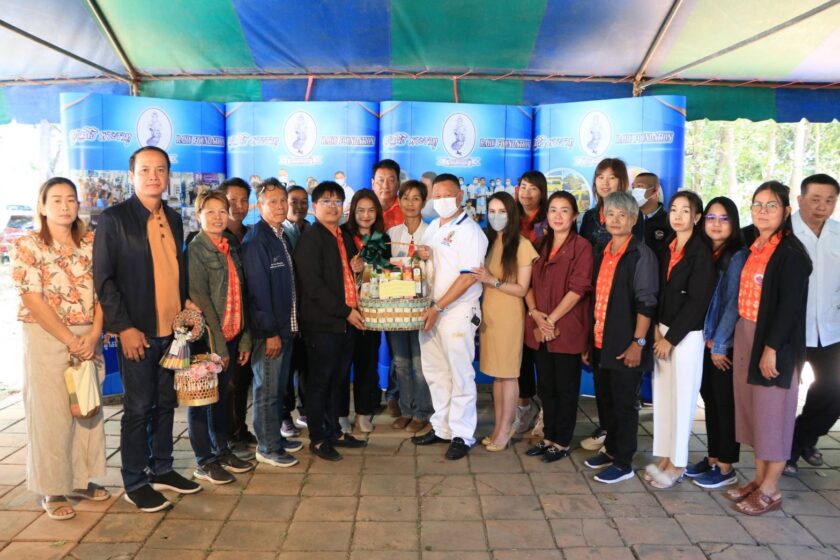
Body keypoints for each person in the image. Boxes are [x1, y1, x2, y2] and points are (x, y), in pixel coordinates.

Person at [94, 146, 201, 512]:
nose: (153, 176)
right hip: (137, 332)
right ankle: (135, 480)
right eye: (145, 169)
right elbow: (104, 280)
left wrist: (185, 301)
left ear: (168, 175)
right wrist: (124, 328)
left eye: (160, 169)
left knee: (166, 403)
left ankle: (162, 469)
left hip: (173, 332)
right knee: (138, 407)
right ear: (131, 175)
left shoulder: (172, 217)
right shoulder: (114, 219)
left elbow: (174, 268)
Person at [13, 177, 108, 521]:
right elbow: (32, 298)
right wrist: (70, 340)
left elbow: (104, 291)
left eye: (70, 199)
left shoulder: (91, 242)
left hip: (88, 337)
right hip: (47, 336)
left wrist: (94, 334)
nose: (65, 206)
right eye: (56, 200)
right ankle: (53, 488)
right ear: (42, 206)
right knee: (51, 414)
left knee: (86, 410)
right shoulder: (28, 244)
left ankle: (80, 480)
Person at [725, 181, 812, 515]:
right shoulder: (755, 244)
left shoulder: (791, 254)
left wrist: (772, 348)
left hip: (775, 342)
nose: (762, 211)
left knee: (774, 414)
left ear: (787, 211)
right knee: (755, 413)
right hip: (748, 332)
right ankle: (759, 479)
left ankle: (771, 490)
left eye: (771, 205)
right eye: (757, 205)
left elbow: (789, 308)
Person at [412, 173, 488, 460]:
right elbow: (427, 262)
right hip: (431, 310)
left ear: (460, 197)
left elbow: (468, 277)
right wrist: (422, 254)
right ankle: (442, 427)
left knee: (460, 374)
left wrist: (439, 307)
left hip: (456, 311)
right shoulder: (433, 227)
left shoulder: (470, 231)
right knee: (435, 372)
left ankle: (462, 434)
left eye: (448, 195)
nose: (442, 200)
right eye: (437, 195)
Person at [584, 191, 658, 484]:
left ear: (634, 219)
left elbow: (646, 303)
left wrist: (638, 343)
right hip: (600, 341)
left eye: (622, 215)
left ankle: (624, 462)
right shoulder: (602, 251)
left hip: (626, 343)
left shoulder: (641, 255)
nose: (615, 220)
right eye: (611, 214)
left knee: (625, 405)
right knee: (606, 400)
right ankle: (611, 449)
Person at [294, 181, 368, 462]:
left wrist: (356, 268)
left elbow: (345, 274)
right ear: (314, 207)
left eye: (337, 201)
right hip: (323, 324)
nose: (333, 206)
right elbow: (314, 287)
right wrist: (346, 312)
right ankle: (317, 438)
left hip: (344, 323)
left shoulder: (342, 235)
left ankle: (334, 431)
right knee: (320, 382)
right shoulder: (311, 239)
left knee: (338, 380)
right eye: (326, 201)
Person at [646, 191, 715, 488]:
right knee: (663, 397)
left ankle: (678, 463)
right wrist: (655, 330)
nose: (677, 215)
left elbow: (698, 302)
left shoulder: (702, 253)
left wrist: (670, 339)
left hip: (686, 336)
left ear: (697, 217)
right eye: (674, 209)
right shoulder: (667, 246)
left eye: (685, 211)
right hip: (661, 330)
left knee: (683, 399)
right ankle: (664, 456)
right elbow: (657, 291)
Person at [186, 189, 255, 483]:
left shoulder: (230, 245)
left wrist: (244, 338)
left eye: (222, 212)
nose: (217, 217)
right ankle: (204, 461)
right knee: (202, 398)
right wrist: (219, 347)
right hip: (207, 340)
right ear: (198, 215)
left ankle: (221, 449)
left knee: (223, 397)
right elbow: (201, 300)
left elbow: (242, 295)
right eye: (210, 212)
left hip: (231, 334)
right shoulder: (196, 250)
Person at [578, 158, 646, 452]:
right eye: (600, 177)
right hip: (597, 305)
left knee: (623, 392)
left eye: (612, 177)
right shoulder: (589, 218)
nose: (605, 182)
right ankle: (608, 435)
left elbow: (643, 290)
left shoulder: (636, 228)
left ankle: (621, 451)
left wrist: (638, 339)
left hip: (624, 314)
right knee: (603, 382)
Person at [524, 191, 593, 463]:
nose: (558, 216)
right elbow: (527, 284)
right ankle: (548, 437)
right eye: (553, 210)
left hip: (567, 327)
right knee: (546, 387)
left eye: (565, 210)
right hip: (540, 328)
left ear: (574, 215)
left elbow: (578, 289)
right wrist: (536, 315)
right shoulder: (539, 245)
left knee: (565, 388)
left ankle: (562, 441)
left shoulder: (582, 247)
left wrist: (550, 320)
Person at [240, 179, 303, 468]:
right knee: (266, 391)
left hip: (286, 328)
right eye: (273, 202)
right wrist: (269, 333)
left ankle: (275, 439)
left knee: (277, 389)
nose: (280, 207)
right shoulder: (256, 241)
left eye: (283, 201)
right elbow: (257, 294)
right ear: (260, 206)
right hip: (270, 333)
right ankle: (267, 447)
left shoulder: (281, 235)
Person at [687, 196, 746, 488]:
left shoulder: (736, 256)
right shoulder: (705, 252)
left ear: (734, 223)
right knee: (710, 401)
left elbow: (733, 304)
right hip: (705, 340)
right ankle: (712, 458)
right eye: (711, 217)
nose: (716, 224)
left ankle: (725, 467)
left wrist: (720, 345)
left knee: (724, 404)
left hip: (722, 345)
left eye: (724, 218)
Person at [472, 192, 538, 451]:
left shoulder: (521, 245)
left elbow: (522, 289)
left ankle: (506, 429)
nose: (496, 216)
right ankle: (499, 427)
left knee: (508, 375)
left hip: (509, 316)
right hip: (489, 315)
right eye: (492, 211)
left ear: (512, 215)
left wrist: (493, 281)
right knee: (497, 377)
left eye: (502, 211)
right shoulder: (488, 242)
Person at [787, 174, 840, 475]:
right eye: (815, 199)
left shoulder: (838, 233)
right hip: (790, 330)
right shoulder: (784, 232)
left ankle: (800, 439)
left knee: (833, 391)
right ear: (800, 200)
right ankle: (786, 449)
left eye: (829, 200)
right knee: (783, 394)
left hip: (831, 329)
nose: (822, 206)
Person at [340, 190, 389, 434]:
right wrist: (350, 269)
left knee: (368, 363)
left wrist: (368, 268)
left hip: (372, 310)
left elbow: (386, 273)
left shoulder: (381, 237)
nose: (366, 215)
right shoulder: (342, 235)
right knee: (342, 364)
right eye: (361, 210)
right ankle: (340, 414)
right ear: (353, 212)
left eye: (371, 210)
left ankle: (363, 412)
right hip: (345, 311)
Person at [387, 180, 434, 433]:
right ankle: (406, 409)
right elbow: (384, 270)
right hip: (395, 308)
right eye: (405, 198)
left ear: (424, 202)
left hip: (422, 306)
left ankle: (423, 411)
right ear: (399, 201)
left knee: (420, 362)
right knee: (401, 361)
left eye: (416, 198)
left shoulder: (433, 232)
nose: (410, 203)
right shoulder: (392, 233)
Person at [216, 177, 257, 454]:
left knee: (242, 381)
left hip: (248, 321)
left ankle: (239, 428)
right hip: (222, 324)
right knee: (225, 385)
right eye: (232, 200)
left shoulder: (251, 235)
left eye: (244, 200)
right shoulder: (211, 238)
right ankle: (225, 438)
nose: (239, 206)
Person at [514, 171, 549, 435]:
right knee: (520, 357)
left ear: (542, 192)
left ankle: (547, 412)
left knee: (543, 357)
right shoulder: (511, 218)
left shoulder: (549, 220)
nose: (526, 193)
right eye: (523, 187)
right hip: (515, 297)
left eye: (533, 188)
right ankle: (524, 406)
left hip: (543, 295)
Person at [281, 185, 311, 436]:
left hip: (309, 312)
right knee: (285, 368)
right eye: (294, 201)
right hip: (286, 312)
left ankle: (306, 410)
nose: (299, 206)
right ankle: (284, 416)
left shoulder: (311, 230)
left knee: (306, 366)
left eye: (304, 201)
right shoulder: (279, 232)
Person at [632, 172, 671, 256]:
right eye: (633, 187)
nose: (634, 191)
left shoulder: (669, 222)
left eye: (639, 186)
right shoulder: (629, 220)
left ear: (655, 190)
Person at [372, 159, 404, 231]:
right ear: (373, 184)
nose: (385, 186)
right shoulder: (362, 208)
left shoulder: (408, 209)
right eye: (381, 180)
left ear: (398, 183)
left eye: (391, 180)